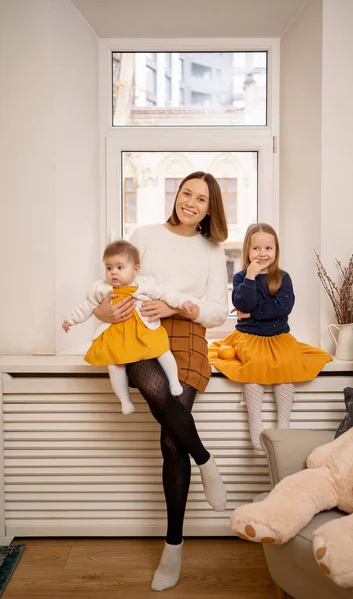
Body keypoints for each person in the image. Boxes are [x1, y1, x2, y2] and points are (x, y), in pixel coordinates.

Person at [93, 172, 229, 592]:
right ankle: (206, 460)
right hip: (137, 331)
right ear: (177, 195)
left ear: (210, 208)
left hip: (186, 336)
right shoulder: (146, 234)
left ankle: (173, 548)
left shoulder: (211, 249)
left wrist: (176, 309)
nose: (191, 202)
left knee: (172, 440)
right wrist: (103, 313)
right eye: (186, 192)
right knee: (157, 395)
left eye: (201, 198)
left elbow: (217, 311)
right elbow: (111, 285)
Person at [208, 223, 332, 450]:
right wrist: (251, 278)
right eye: (256, 249)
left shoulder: (283, 277)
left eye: (268, 248)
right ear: (247, 250)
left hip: (278, 336)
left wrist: (251, 314)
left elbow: (282, 307)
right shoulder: (240, 277)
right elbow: (242, 303)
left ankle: (283, 425)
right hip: (249, 337)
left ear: (276, 250)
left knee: (286, 365)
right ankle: (256, 425)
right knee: (254, 366)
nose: (262, 254)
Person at [62, 239, 195, 415]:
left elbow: (166, 293)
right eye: (109, 268)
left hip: (143, 329)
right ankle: (124, 400)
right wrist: (71, 320)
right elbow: (86, 307)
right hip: (116, 334)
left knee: (162, 349)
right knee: (114, 365)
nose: (113, 273)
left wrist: (181, 302)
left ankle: (173, 381)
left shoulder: (144, 284)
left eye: (119, 267)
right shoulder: (101, 288)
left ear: (135, 269)